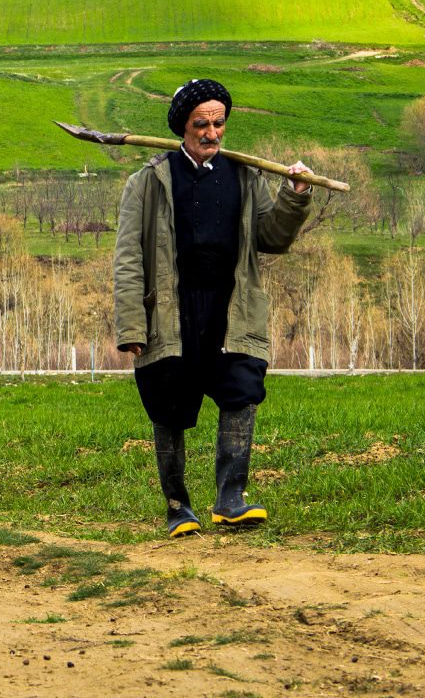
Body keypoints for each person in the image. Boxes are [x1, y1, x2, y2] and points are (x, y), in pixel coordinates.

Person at [113, 78, 313, 536]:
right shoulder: (148, 182)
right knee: (168, 405)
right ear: (182, 127)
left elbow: (273, 238)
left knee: (242, 389)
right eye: (201, 123)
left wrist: (295, 196)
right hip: (170, 312)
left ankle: (231, 499)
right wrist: (130, 325)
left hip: (232, 308)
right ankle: (177, 506)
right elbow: (127, 260)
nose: (212, 132)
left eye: (219, 122)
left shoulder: (245, 176)